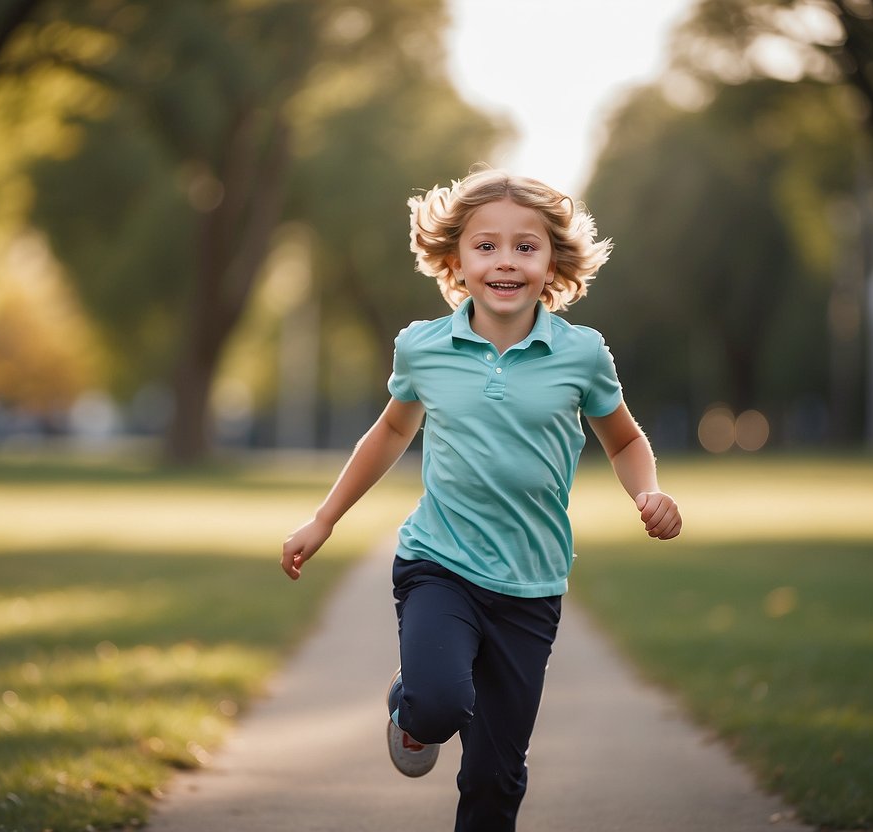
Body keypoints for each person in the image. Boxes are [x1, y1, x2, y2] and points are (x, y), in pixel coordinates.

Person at [280, 167, 682, 832]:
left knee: (496, 776)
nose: (504, 261)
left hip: (530, 588)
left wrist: (649, 491)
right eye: (485, 245)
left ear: (552, 261)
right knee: (438, 705)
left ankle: (429, 714)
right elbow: (388, 432)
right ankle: (412, 706)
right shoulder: (423, 347)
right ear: (454, 259)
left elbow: (624, 440)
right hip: (438, 565)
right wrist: (323, 519)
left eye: (525, 247)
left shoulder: (580, 355)